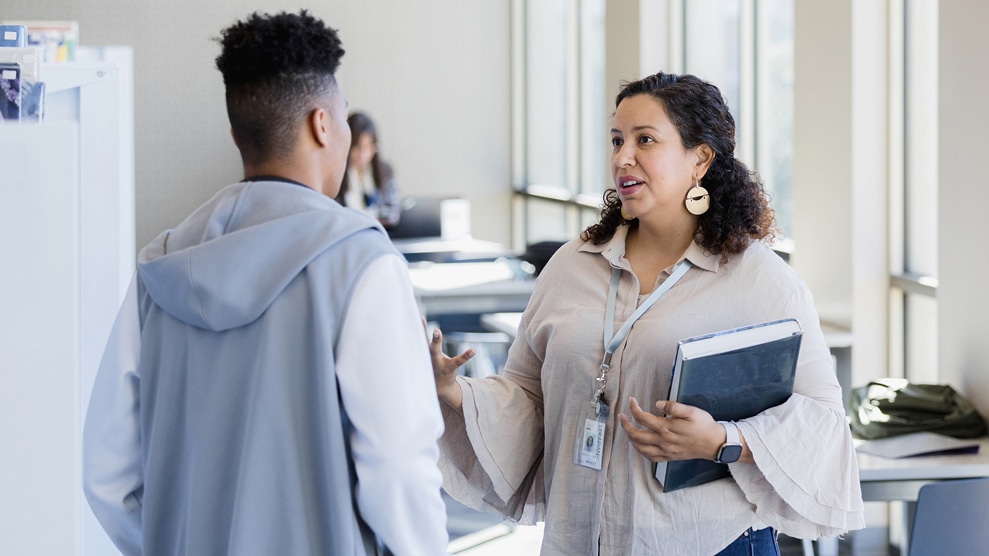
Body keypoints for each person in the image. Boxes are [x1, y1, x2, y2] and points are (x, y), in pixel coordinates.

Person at [430, 72, 865, 555]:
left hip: (711, 544)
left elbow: (824, 424)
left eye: (645, 140)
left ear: (700, 159)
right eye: (617, 140)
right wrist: (455, 391)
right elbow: (526, 396)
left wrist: (722, 440)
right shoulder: (573, 264)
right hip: (581, 540)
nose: (623, 157)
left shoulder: (758, 279)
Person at [82, 11, 449, 556]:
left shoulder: (160, 266)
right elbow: (398, 469)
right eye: (344, 118)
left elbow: (106, 477)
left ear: (237, 134)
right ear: (322, 124)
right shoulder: (361, 263)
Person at [336, 111, 402, 228]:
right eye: (357, 147)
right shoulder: (336, 174)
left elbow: (393, 212)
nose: (362, 154)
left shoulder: (385, 172)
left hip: (379, 235)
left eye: (367, 147)